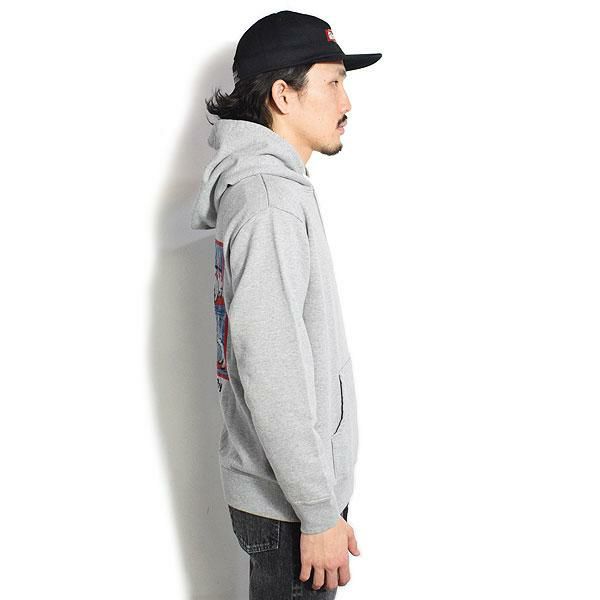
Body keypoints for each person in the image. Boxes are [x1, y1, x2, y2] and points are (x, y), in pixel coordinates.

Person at [191, 10, 382, 598]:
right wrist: (319, 513)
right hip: (291, 507)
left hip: (291, 494)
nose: (347, 102)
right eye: (333, 82)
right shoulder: (269, 201)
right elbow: (271, 371)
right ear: (283, 94)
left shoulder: (271, 189)